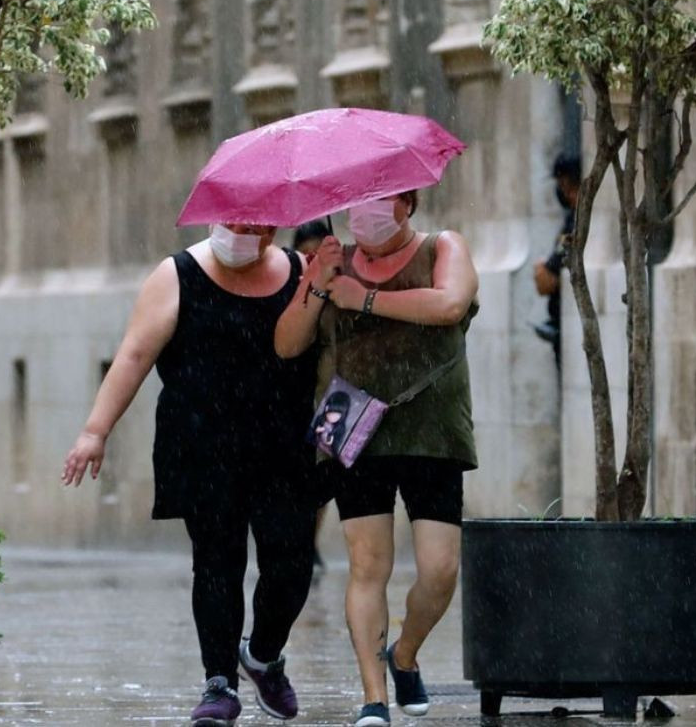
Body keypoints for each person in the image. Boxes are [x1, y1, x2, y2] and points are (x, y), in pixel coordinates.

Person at [62, 222, 318, 726]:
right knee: (217, 564)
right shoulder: (176, 274)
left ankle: (263, 656)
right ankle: (218, 681)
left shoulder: (299, 269)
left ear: (270, 229)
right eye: (235, 222)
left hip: (283, 446)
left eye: (255, 225)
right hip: (203, 444)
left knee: (291, 563)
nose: (244, 233)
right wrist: (95, 431)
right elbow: (135, 353)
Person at [275, 191, 479, 727]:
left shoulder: (442, 247)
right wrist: (319, 284)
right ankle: (374, 696)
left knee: (440, 569)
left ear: (408, 203)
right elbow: (287, 344)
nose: (364, 212)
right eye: (357, 203)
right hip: (355, 430)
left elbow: (450, 305)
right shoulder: (332, 263)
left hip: (433, 430)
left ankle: (404, 653)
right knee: (368, 565)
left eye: (380, 200)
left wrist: (362, 298)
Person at [290, 218, 335, 577]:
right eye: (307, 253)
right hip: (295, 395)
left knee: (324, 478)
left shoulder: (342, 280)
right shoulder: (289, 281)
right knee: (303, 475)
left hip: (333, 398)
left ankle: (309, 541)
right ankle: (300, 542)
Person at [533, 152, 581, 367]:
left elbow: (546, 280)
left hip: (571, 329)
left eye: (564, 184)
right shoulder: (572, 219)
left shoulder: (576, 223)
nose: (562, 191)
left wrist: (541, 268)